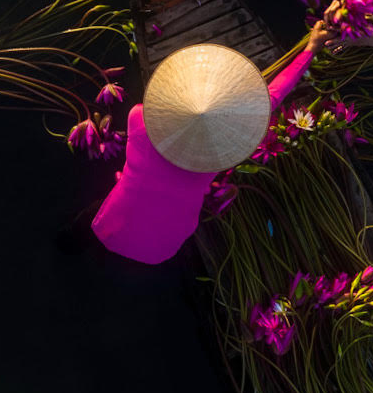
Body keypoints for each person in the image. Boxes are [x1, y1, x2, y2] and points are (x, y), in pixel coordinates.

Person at [92, 22, 335, 264]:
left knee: (95, 225)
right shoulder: (223, 149)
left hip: (117, 217)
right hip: (164, 245)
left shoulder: (138, 117)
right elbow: (274, 94)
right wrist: (311, 49)